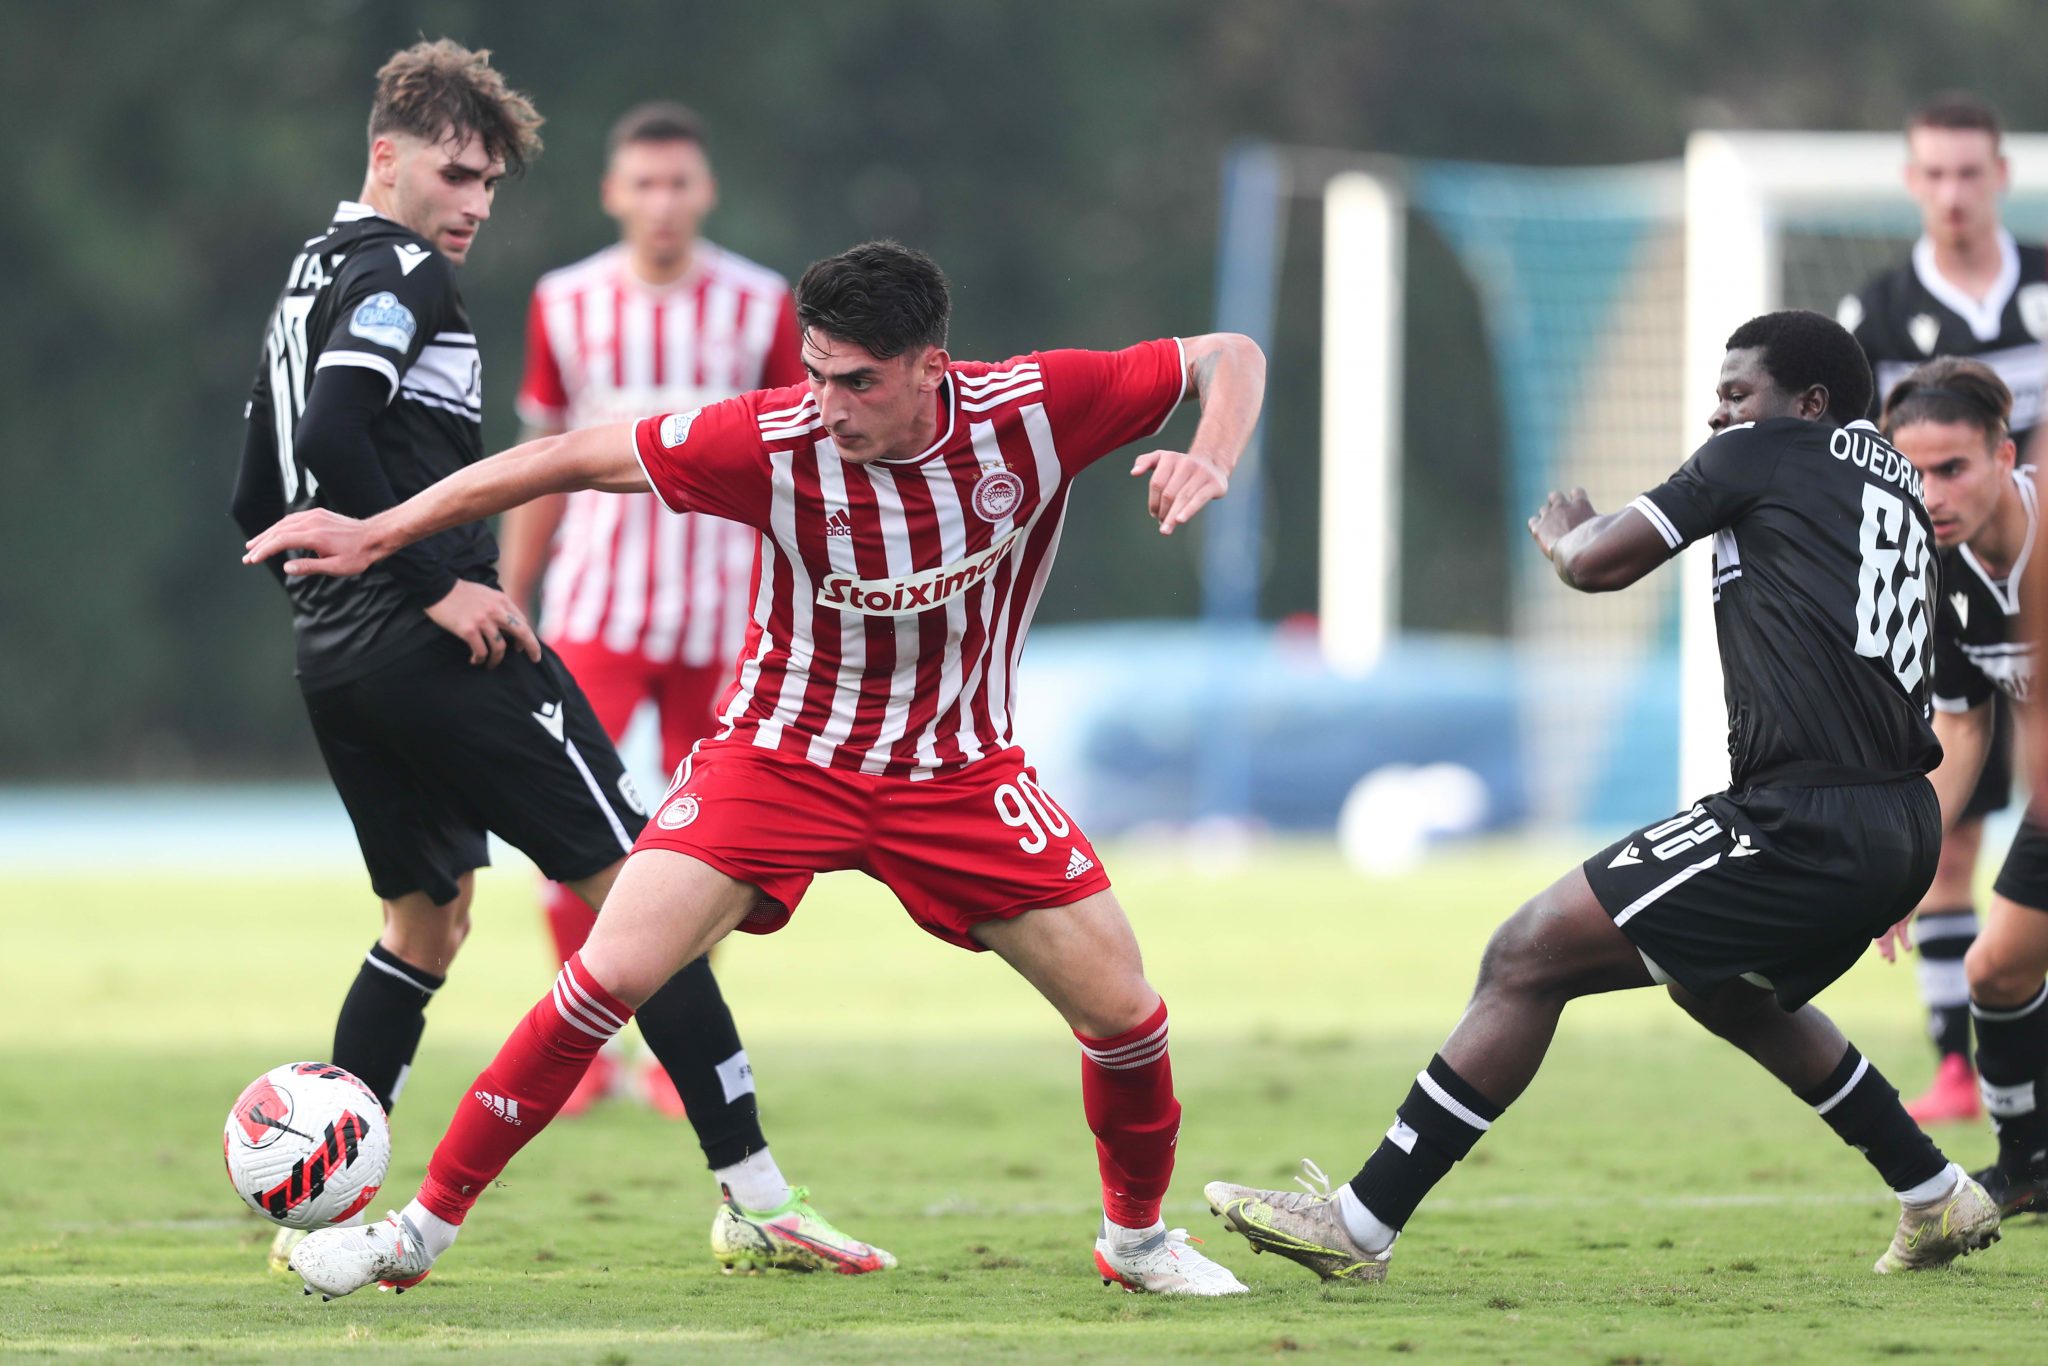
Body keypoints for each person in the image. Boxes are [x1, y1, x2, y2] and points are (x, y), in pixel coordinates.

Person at [247, 240, 1267, 1298]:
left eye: (858, 382)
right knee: (607, 974)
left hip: (955, 770)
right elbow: (567, 454)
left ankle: (1136, 1241)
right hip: (780, 757)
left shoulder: (1037, 407)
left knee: (1126, 1014)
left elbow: (1228, 354)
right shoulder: (771, 436)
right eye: (816, 373)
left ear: (932, 366)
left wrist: (1211, 456)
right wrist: (384, 530)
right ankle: (415, 1234)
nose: (829, 405)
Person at [227, 40, 885, 1277]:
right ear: (385, 156)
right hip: (436, 643)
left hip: (335, 652)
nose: (474, 204)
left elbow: (261, 485)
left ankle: (313, 1207)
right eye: (455, 173)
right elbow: (335, 430)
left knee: (424, 924)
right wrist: (437, 589)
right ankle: (757, 1195)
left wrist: (330, 599)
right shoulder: (401, 269)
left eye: (490, 183)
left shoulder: (312, 271)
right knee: (649, 892)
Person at [1205, 310, 2000, 1284]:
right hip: (1900, 817)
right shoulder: (1895, 483)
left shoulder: (1760, 451)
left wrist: (1565, 532)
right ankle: (1932, 1189)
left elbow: (1596, 564)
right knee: (1720, 987)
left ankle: (1358, 1225)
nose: (1718, 414)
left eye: (1736, 392)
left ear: (1807, 403)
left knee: (1526, 952)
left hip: (1803, 816)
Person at [497, 101, 804, 1119]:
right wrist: (511, 591)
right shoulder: (566, 300)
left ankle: (680, 1053)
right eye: (644, 183)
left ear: (705, 190)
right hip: (597, 608)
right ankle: (581, 1055)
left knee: (714, 847)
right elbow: (541, 460)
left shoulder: (760, 304)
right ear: (612, 193)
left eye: (679, 183)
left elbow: (801, 459)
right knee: (567, 822)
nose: (662, 202)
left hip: (726, 616)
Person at [1836, 91, 2048, 1122]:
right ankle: (1965, 1073)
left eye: (1970, 171)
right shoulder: (1874, 315)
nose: (1954, 192)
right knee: (1954, 836)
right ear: (1910, 182)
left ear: (1999, 175)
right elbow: (1849, 460)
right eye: (1935, 172)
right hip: (1970, 599)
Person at [1880, 357, 2047, 1213]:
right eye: (1911, 473)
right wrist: (1910, 862)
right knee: (1995, 972)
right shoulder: (1934, 572)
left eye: (1952, 468)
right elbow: (1963, 727)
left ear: (2004, 455)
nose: (1931, 494)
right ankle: (2029, 1167)